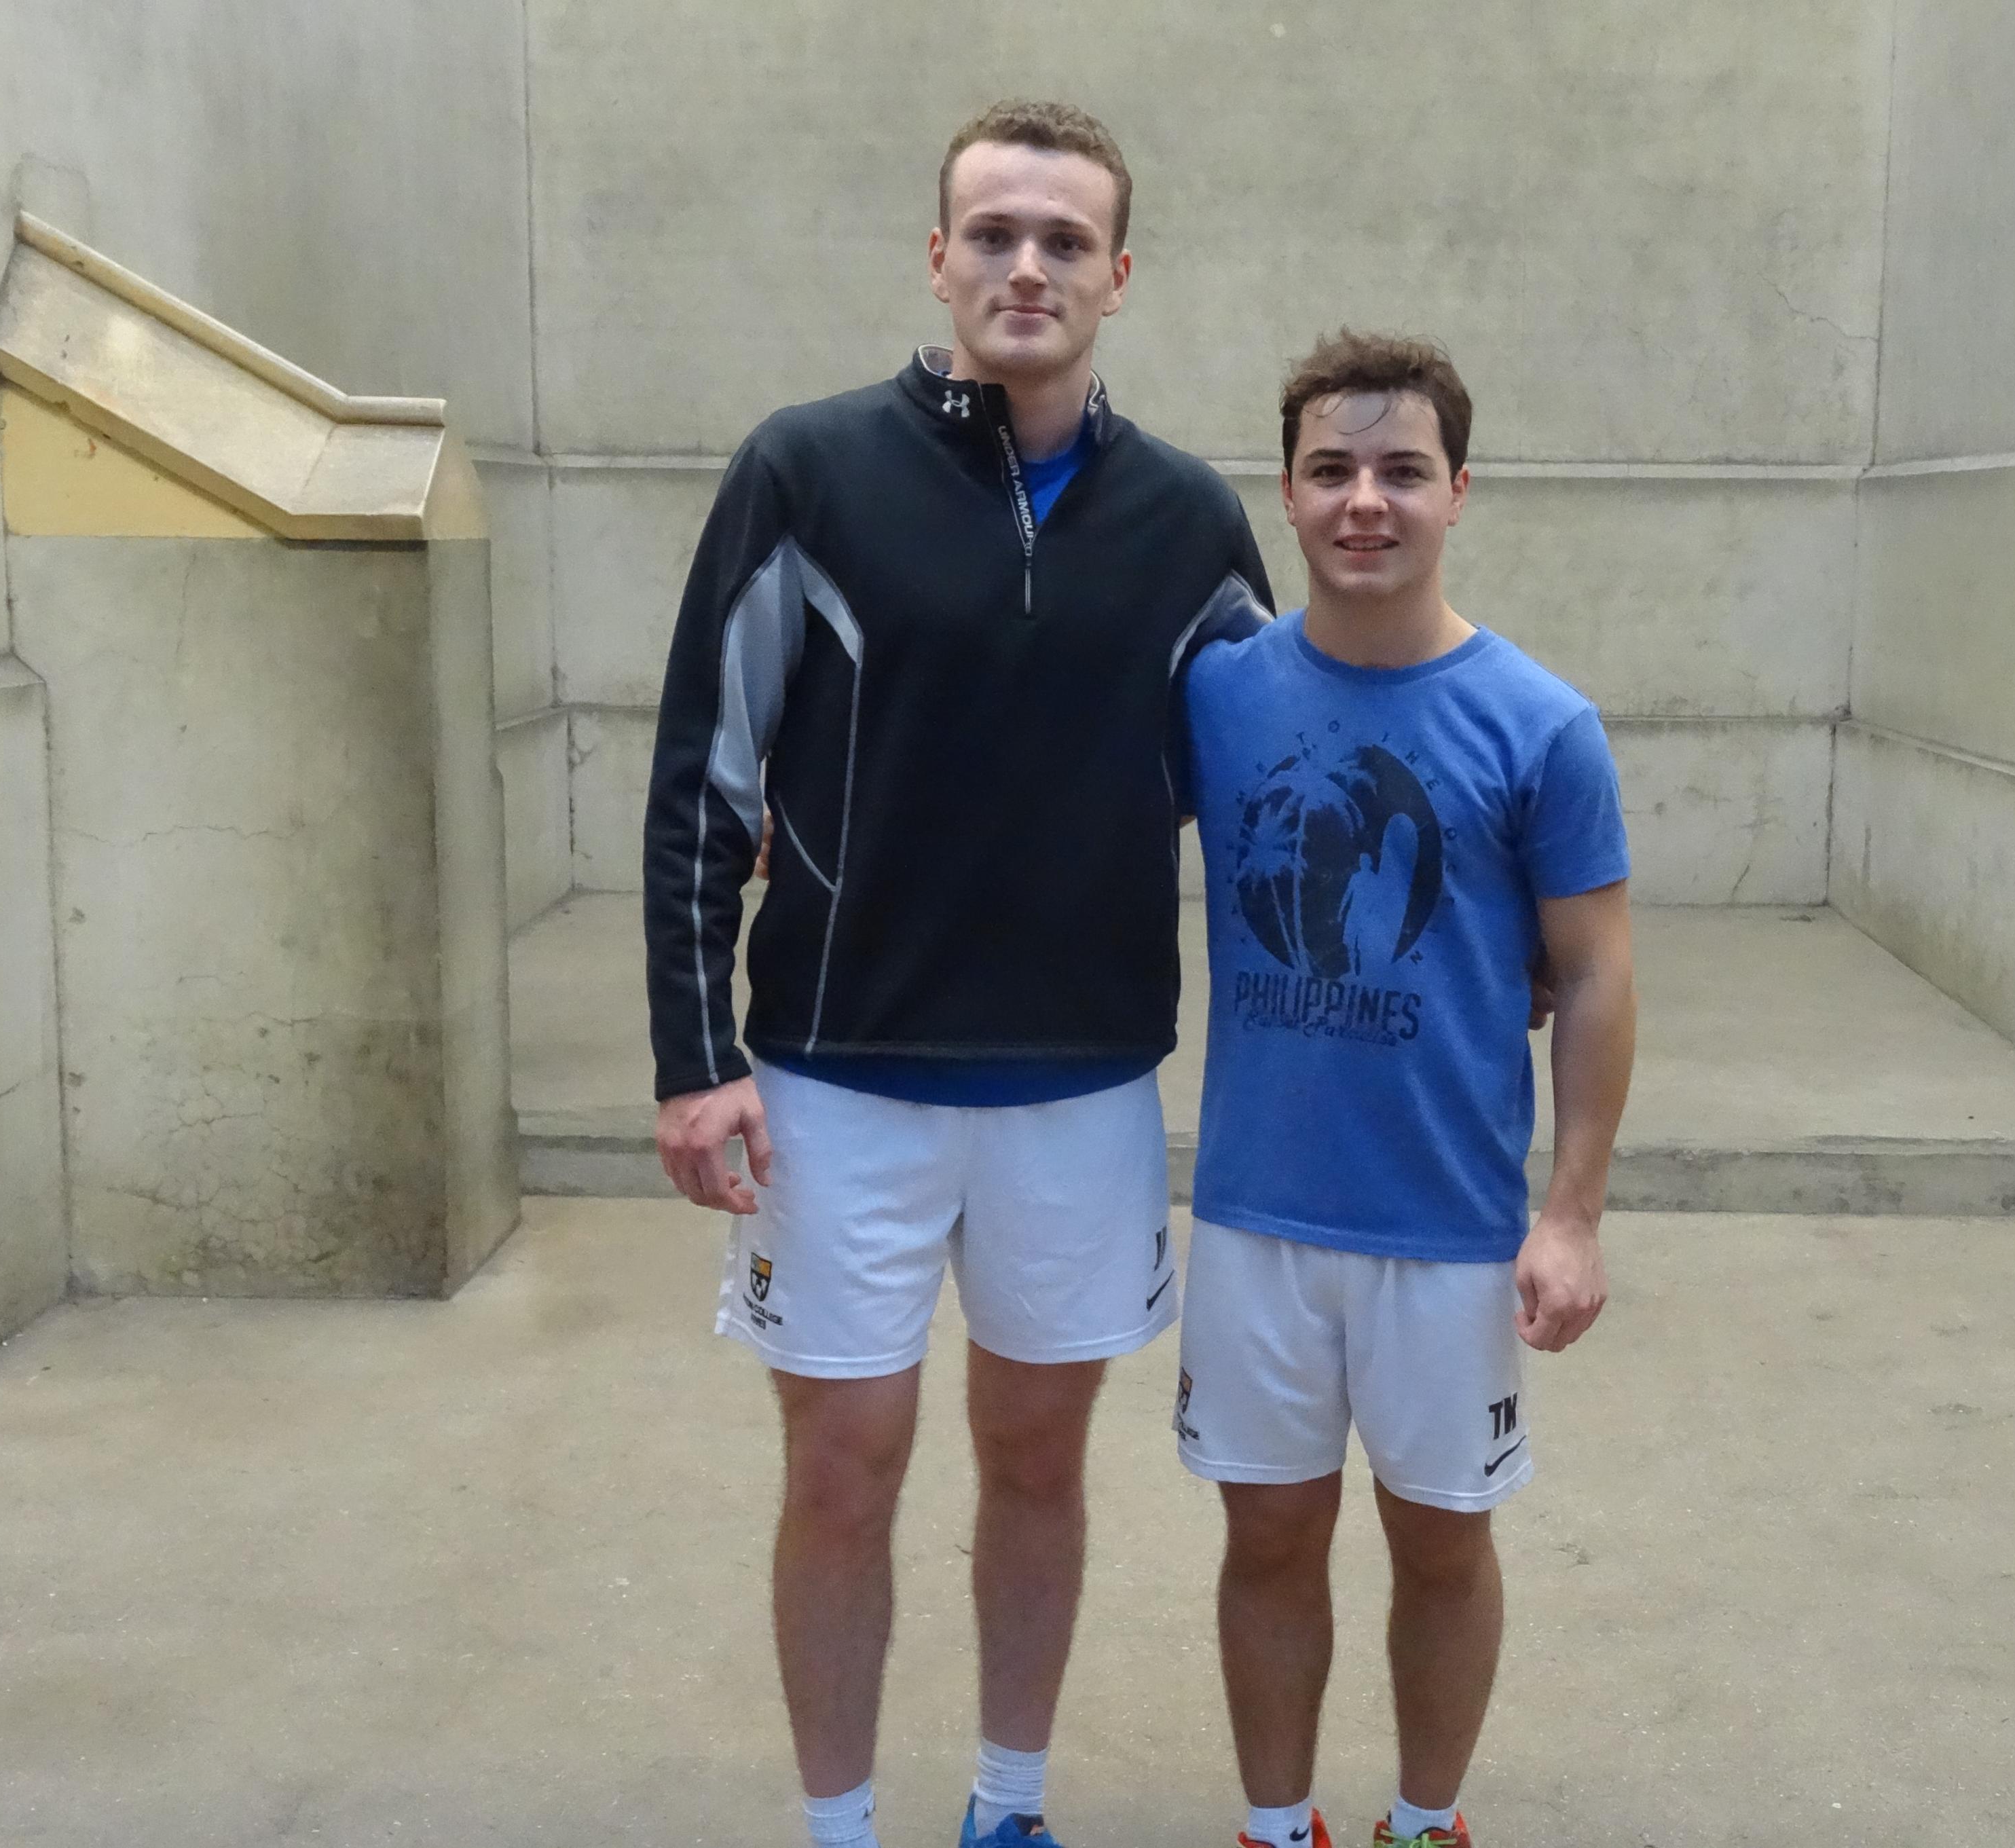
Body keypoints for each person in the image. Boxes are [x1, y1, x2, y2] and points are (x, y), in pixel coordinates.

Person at [642, 101, 1272, 1848]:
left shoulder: (1191, 524)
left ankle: (1009, 1806)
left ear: (1118, 278)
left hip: (1079, 1091)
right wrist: (697, 1061)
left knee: (1040, 1467)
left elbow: (1280, 799)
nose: (1026, 265)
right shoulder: (808, 469)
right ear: (939, 257)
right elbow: (705, 770)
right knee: (844, 1470)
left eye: (1065, 241)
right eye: (992, 231)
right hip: (837, 1081)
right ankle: (838, 1823)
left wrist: (1487, 937)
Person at [1176, 331, 1638, 1848]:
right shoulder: (1220, 695)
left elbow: (1600, 975)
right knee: (1269, 1538)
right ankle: (1274, 1820)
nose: (1364, 499)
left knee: (1442, 1546)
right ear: (1289, 497)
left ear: (1458, 490)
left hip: (1448, 1231)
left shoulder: (1542, 723)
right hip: (1256, 1215)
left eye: (1400, 470)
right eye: (1331, 469)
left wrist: (1569, 1215)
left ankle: (1425, 1819)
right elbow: (1039, 790)